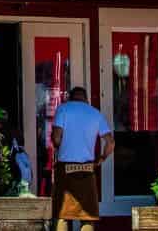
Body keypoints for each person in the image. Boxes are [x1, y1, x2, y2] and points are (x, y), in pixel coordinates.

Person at [48, 87, 112, 231]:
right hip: (87, 169)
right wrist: (102, 158)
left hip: (65, 168)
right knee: (87, 216)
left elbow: (57, 138)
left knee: (62, 214)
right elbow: (110, 142)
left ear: (70, 97)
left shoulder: (63, 109)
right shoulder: (95, 113)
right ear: (86, 98)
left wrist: (58, 144)